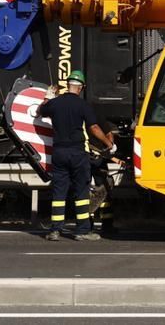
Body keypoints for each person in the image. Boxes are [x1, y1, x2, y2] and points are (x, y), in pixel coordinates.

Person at [37, 69, 114, 240]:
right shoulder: (83, 105)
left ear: (68, 85)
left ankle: (55, 230)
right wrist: (109, 144)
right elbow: (94, 128)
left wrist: (47, 97)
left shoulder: (55, 103)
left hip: (59, 152)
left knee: (59, 192)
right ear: (81, 87)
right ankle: (82, 231)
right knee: (81, 191)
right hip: (78, 153)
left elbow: (39, 112)